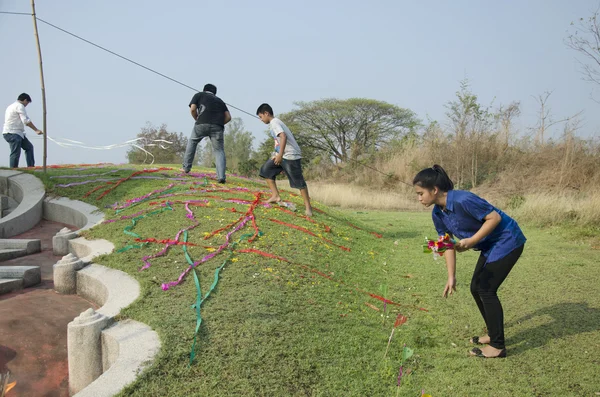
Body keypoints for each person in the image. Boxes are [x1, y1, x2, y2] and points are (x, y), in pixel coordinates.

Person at [413, 165, 526, 358]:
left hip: (508, 239)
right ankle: (493, 334)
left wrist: (472, 241)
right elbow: (446, 243)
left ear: (434, 190)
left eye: (420, 193)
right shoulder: (437, 214)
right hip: (489, 245)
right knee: (476, 288)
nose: (419, 198)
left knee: (486, 289)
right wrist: (451, 277)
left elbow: (494, 217)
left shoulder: (463, 199)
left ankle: (498, 346)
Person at [256, 103, 313, 217]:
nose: (261, 120)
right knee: (266, 169)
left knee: (298, 182)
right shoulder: (273, 124)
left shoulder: (275, 122)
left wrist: (280, 155)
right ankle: (275, 195)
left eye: (261, 117)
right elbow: (278, 141)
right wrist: (277, 154)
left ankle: (308, 207)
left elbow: (283, 136)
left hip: (291, 156)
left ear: (266, 113)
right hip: (281, 155)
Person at [182, 83, 231, 182]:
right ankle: (221, 176)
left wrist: (197, 118)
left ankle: (186, 167)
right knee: (219, 150)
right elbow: (228, 117)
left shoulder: (199, 95)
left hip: (201, 123)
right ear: (215, 93)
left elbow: (192, 109)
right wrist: (219, 123)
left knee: (192, 141)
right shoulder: (220, 101)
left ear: (204, 90)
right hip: (218, 126)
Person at [2, 93, 44, 168]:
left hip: (17, 133)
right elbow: (26, 121)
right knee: (15, 152)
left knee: (29, 147)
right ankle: (13, 170)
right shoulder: (20, 106)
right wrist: (36, 130)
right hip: (12, 133)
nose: (26, 105)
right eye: (27, 103)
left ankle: (31, 167)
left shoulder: (11, 106)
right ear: (25, 100)